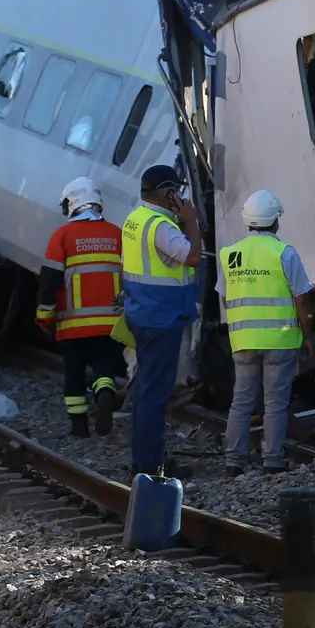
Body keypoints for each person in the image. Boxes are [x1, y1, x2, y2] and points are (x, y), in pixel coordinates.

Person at [219, 189, 315, 477]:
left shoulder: (229, 254)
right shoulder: (285, 253)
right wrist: (308, 335)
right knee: (275, 401)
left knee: (242, 400)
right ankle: (272, 460)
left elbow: (225, 298)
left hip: (244, 340)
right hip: (281, 340)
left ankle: (233, 462)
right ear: (276, 221)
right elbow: (301, 299)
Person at [119, 164, 202, 478]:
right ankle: (151, 467)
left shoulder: (134, 219)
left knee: (144, 389)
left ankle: (144, 460)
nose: (179, 197)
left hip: (141, 313)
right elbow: (193, 257)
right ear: (168, 193)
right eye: (177, 192)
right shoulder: (162, 227)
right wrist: (190, 222)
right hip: (161, 317)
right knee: (155, 394)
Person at [37, 177, 127, 438]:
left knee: (74, 373)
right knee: (104, 368)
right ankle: (105, 394)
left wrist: (44, 315)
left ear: (71, 203)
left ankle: (79, 427)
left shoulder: (62, 236)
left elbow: (49, 280)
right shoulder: (116, 234)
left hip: (74, 324)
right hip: (110, 321)